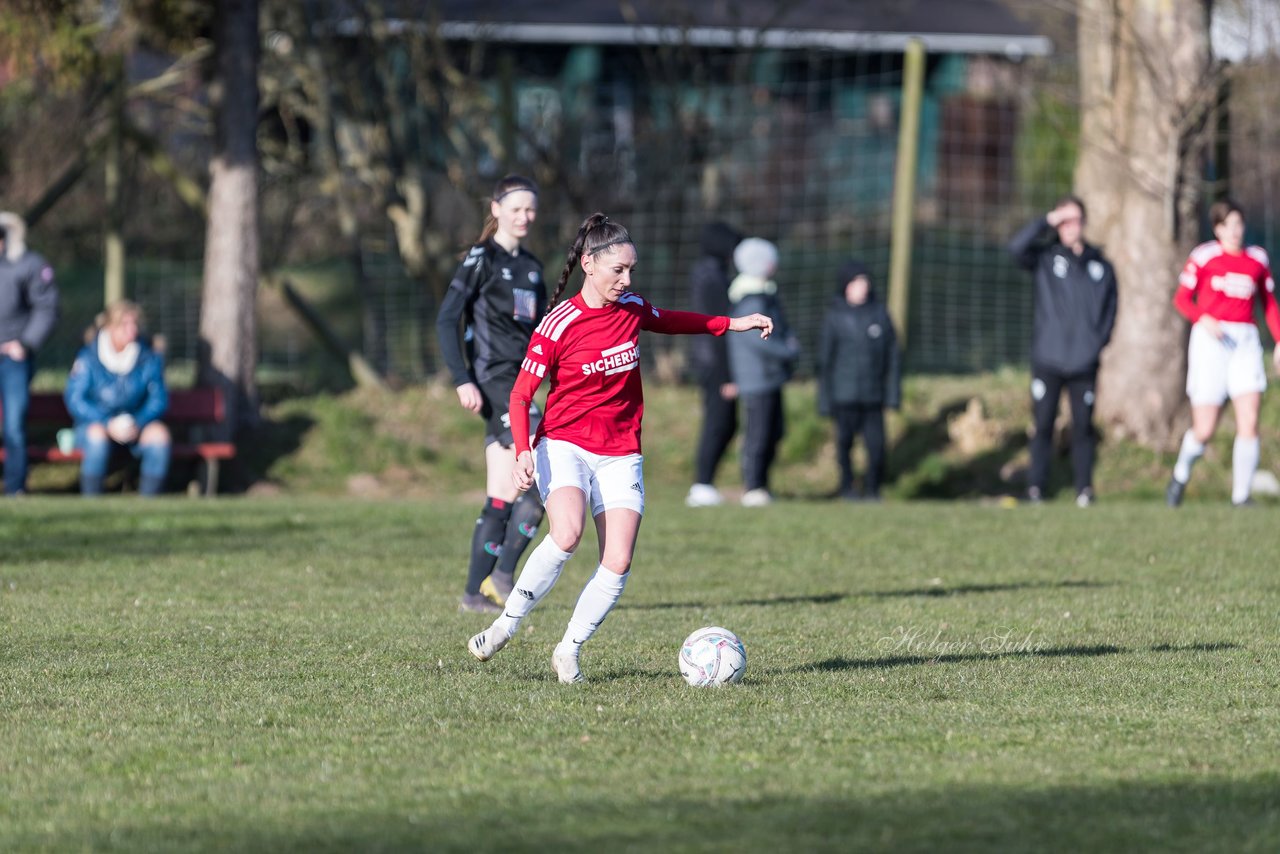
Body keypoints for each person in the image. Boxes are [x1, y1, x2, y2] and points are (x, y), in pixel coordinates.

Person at [466, 213, 773, 683]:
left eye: (631, 270)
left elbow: (670, 320)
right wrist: (525, 451)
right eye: (618, 270)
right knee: (566, 534)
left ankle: (569, 649)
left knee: (619, 559)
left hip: (620, 449)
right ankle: (506, 625)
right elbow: (522, 393)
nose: (627, 280)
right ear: (589, 264)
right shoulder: (559, 323)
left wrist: (733, 323)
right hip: (564, 443)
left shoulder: (631, 307)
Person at [435, 175, 549, 614]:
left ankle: (473, 594)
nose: (524, 217)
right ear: (496, 208)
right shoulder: (481, 258)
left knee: (504, 493)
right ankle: (502, 576)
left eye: (531, 209)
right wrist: (462, 379)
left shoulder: (533, 268)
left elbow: (542, 334)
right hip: (496, 382)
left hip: (525, 384)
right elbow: (448, 320)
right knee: (541, 475)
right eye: (516, 208)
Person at [1166, 198, 1280, 508]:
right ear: (1217, 228)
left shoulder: (1257, 259)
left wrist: (1279, 341)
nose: (1234, 231)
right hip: (1210, 343)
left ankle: (1241, 495)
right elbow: (1182, 299)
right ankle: (1179, 475)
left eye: (1238, 224)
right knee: (1204, 429)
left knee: (1250, 419)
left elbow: (1268, 304)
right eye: (1227, 225)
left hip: (1245, 342)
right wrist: (1203, 318)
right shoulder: (1204, 257)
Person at [1008, 195, 1117, 507]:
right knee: (1043, 426)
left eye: (1075, 220)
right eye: (1064, 221)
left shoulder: (1100, 265)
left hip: (1084, 361)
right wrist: (1047, 221)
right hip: (1049, 359)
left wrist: (1098, 342)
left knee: (1083, 428)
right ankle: (1036, 489)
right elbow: (1015, 248)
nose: (1071, 227)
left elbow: (1111, 308)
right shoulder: (1044, 256)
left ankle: (1084, 489)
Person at [64, 301, 170, 496]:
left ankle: (150, 505)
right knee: (96, 436)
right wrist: (107, 423)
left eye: (135, 324)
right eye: (125, 324)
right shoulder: (89, 357)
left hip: (136, 425)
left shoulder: (148, 357)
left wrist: (138, 422)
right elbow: (76, 399)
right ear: (110, 326)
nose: (132, 329)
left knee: (159, 435)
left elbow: (159, 399)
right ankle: (92, 505)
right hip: (98, 424)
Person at [817, 260, 901, 501]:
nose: (862, 287)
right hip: (844, 397)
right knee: (844, 444)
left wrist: (892, 395)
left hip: (873, 396)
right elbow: (825, 362)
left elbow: (893, 357)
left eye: (865, 281)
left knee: (876, 448)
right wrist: (824, 401)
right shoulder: (834, 318)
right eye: (856, 282)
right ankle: (847, 488)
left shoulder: (880, 314)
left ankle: (873, 490)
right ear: (846, 286)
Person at [726, 237, 799, 507]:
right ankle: (753, 485)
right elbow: (758, 339)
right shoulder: (751, 300)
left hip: (769, 377)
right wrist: (788, 350)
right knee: (757, 434)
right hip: (756, 379)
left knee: (773, 431)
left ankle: (762, 485)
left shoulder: (765, 295)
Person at [0, 212, 59, 496]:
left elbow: (46, 307)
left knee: (13, 425)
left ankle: (15, 487)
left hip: (14, 359)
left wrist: (25, 343)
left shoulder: (29, 265)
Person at [685, 221, 743, 507]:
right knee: (719, 422)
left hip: (710, 360)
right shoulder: (712, 278)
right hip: (714, 363)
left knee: (725, 421)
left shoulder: (711, 273)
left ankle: (705, 483)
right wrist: (727, 376)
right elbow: (718, 329)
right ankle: (702, 483)